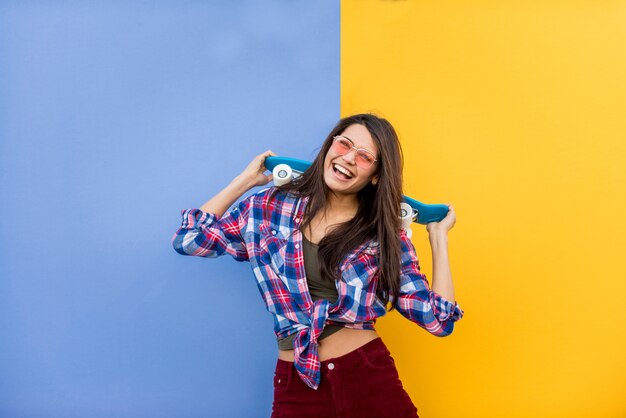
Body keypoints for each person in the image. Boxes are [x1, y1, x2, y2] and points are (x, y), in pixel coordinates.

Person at [171, 113, 464, 417]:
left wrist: (438, 237)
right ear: (329, 146)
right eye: (344, 144)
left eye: (364, 157)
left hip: (366, 376)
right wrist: (245, 181)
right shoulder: (268, 206)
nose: (349, 158)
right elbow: (190, 239)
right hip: (297, 383)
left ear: (376, 175)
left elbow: (438, 321)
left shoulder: (384, 233)